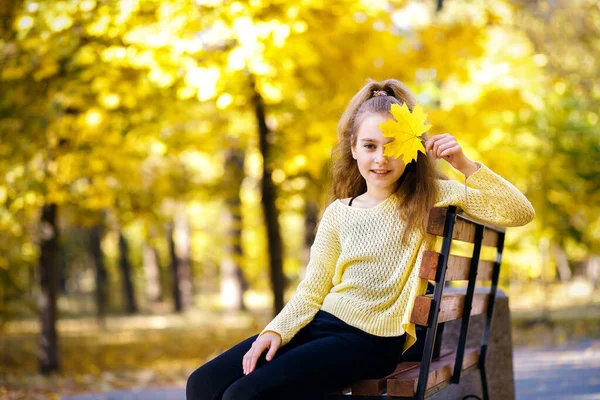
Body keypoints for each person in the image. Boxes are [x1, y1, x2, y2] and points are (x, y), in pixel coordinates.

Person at [186, 78, 535, 400]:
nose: (381, 158)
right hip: (323, 324)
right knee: (202, 384)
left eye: (392, 146)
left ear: (411, 150)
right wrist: (275, 332)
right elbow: (312, 290)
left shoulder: (430, 196)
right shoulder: (340, 211)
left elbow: (518, 213)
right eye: (369, 146)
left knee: (241, 396)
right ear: (353, 149)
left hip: (372, 339)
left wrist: (465, 164)